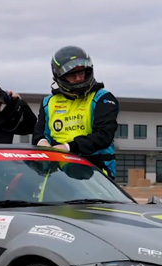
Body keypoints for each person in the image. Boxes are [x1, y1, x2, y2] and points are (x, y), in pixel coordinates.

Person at [33, 46, 120, 179]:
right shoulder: (48, 103)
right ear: (60, 77)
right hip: (56, 171)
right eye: (72, 75)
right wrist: (43, 144)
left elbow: (104, 135)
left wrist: (67, 147)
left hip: (95, 171)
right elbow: (39, 135)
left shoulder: (102, 98)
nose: (79, 78)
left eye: (82, 73)